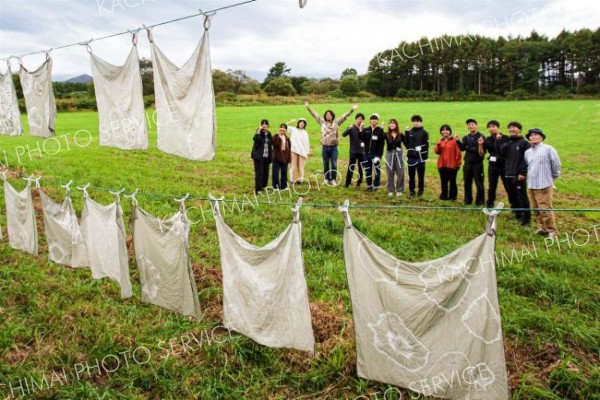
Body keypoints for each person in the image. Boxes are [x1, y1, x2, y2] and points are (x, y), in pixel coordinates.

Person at [305, 100, 358, 186]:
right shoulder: (322, 122)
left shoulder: (336, 122)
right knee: (326, 164)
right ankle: (326, 178)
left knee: (333, 164)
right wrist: (308, 107)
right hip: (325, 147)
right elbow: (315, 115)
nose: (328, 116)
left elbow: (345, 116)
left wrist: (352, 109)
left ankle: (333, 179)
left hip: (333, 147)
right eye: (326, 115)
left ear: (332, 116)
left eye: (329, 115)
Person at [524, 128, 561, 239]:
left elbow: (556, 165)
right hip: (531, 184)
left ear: (541, 137)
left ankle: (552, 231)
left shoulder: (548, 149)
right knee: (535, 208)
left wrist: (551, 178)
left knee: (545, 209)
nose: (533, 137)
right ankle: (542, 228)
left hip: (544, 184)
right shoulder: (528, 152)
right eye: (531, 135)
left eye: (536, 135)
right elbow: (528, 166)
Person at [501, 121, 531, 227]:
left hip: (518, 175)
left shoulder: (524, 143)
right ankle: (517, 214)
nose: (511, 129)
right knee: (512, 196)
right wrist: (500, 141)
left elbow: (526, 159)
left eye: (514, 127)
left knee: (522, 197)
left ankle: (526, 219)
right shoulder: (509, 143)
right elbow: (502, 154)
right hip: (508, 173)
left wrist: (523, 172)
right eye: (510, 128)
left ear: (519, 130)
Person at [458, 118, 485, 205]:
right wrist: (458, 141)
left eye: (472, 124)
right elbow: (462, 148)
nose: (470, 126)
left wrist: (468, 148)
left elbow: (479, 151)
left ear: (476, 125)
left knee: (479, 183)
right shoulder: (466, 137)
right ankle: (467, 200)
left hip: (477, 163)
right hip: (468, 163)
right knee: (467, 182)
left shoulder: (481, 137)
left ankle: (479, 201)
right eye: (469, 125)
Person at [484, 120, 510, 208]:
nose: (491, 128)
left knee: (508, 185)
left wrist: (499, 139)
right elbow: (490, 148)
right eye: (490, 127)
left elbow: (505, 150)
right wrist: (496, 140)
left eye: (493, 126)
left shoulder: (506, 138)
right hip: (492, 165)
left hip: (504, 165)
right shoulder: (488, 139)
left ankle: (514, 204)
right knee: (492, 185)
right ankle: (490, 203)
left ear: (498, 128)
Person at [403, 115, 429, 197]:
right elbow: (406, 145)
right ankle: (412, 190)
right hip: (411, 158)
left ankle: (420, 191)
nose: (416, 123)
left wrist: (424, 158)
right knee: (411, 175)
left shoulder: (425, 133)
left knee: (421, 176)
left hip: (420, 158)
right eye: (414, 121)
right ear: (412, 122)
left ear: (420, 122)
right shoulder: (410, 132)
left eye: (417, 121)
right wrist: (406, 133)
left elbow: (426, 146)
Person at [434, 124, 462, 201]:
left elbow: (458, 153)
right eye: (443, 130)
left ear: (450, 131)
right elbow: (437, 151)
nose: (445, 131)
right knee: (443, 181)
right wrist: (438, 145)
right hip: (442, 164)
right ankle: (444, 196)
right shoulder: (441, 140)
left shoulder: (454, 141)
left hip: (452, 165)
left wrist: (458, 164)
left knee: (452, 181)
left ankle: (452, 197)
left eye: (447, 130)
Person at [342, 113, 366, 188]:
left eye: (361, 119)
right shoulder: (352, 128)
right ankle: (347, 183)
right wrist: (348, 128)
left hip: (362, 152)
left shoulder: (364, 129)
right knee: (351, 167)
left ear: (363, 120)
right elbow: (344, 134)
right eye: (358, 118)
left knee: (361, 168)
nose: (360, 120)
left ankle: (359, 183)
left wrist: (361, 129)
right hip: (353, 151)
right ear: (356, 119)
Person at [363, 113, 385, 191]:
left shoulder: (380, 130)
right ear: (370, 120)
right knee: (368, 170)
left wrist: (379, 156)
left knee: (376, 171)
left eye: (375, 119)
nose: (374, 120)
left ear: (377, 121)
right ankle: (369, 186)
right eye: (372, 119)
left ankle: (376, 186)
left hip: (375, 155)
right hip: (366, 154)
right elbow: (361, 138)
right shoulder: (366, 130)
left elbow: (381, 144)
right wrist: (361, 129)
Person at [250, 119, 272, 195]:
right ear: (261, 125)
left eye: (266, 124)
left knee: (266, 172)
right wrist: (259, 131)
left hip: (266, 156)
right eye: (263, 124)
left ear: (268, 126)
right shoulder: (258, 133)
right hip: (258, 156)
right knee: (259, 173)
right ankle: (258, 189)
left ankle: (263, 187)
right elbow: (256, 139)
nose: (264, 125)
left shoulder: (269, 134)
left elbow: (270, 144)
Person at [384, 118, 405, 197]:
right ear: (389, 125)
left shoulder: (401, 134)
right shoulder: (386, 134)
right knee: (390, 172)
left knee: (400, 171)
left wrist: (408, 132)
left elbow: (407, 143)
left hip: (399, 154)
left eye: (393, 123)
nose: (392, 124)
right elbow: (378, 140)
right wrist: (381, 128)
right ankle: (390, 190)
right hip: (389, 154)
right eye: (390, 123)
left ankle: (400, 189)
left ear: (396, 125)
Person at [288, 118, 310, 184]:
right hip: (294, 150)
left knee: (301, 165)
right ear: (298, 123)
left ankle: (300, 179)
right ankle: (292, 179)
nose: (301, 124)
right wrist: (290, 121)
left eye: (303, 123)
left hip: (302, 151)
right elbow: (284, 126)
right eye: (300, 122)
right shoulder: (294, 129)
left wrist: (307, 151)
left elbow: (307, 142)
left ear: (304, 125)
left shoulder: (305, 132)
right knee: (293, 165)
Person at [272, 123, 292, 190]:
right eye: (281, 129)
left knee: (284, 172)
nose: (282, 131)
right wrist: (277, 134)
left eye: (284, 130)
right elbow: (274, 143)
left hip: (285, 156)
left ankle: (284, 185)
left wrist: (289, 158)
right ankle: (276, 186)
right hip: (277, 156)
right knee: (275, 172)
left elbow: (289, 149)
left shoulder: (287, 138)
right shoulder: (276, 136)